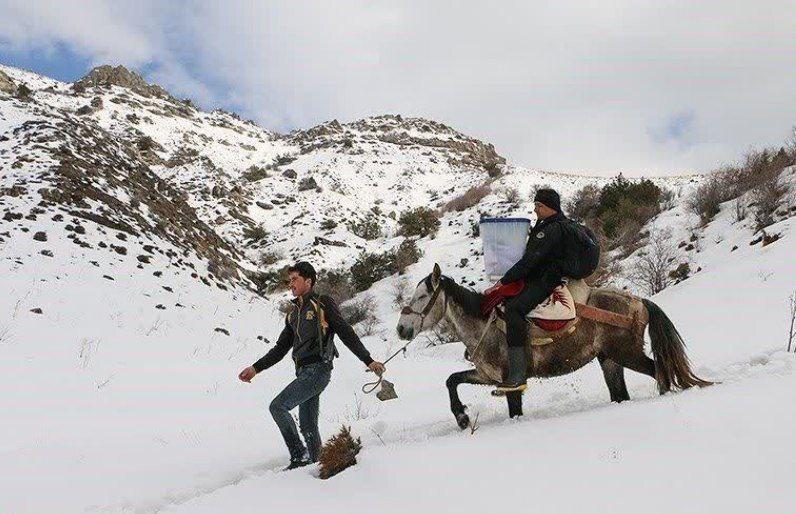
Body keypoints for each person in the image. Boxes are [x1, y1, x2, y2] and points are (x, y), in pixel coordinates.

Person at [238, 261, 386, 470]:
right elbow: (280, 348)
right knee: (308, 424)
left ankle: (299, 457)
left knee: (278, 407)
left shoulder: (322, 303)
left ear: (308, 281)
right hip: (303, 373)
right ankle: (318, 464)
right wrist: (256, 368)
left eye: (295, 279)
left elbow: (345, 332)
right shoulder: (293, 314)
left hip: (318, 370)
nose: (291, 284)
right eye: (289, 280)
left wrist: (368, 360)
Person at [484, 188, 568, 395]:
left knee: (514, 309)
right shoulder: (546, 225)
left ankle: (518, 376)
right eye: (536, 205)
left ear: (551, 208)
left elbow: (529, 261)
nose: (535, 209)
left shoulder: (551, 229)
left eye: (539, 206)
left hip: (546, 279)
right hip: (537, 276)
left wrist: (503, 281)